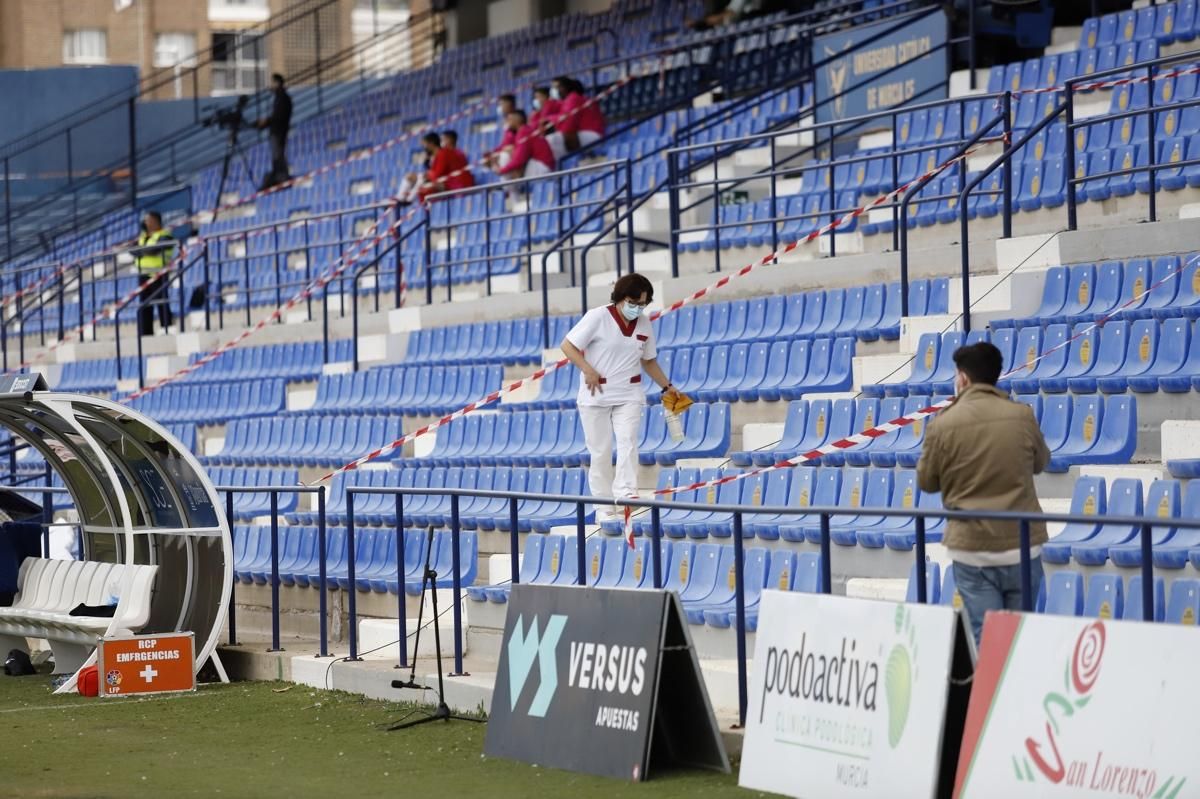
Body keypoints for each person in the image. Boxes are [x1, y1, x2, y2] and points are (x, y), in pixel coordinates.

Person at [916, 342, 1051, 645]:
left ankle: (991, 692)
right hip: (1022, 544)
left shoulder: (943, 424)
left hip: (972, 547)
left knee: (986, 641)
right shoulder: (1022, 416)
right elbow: (1041, 463)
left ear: (962, 378)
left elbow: (927, 481)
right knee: (1019, 640)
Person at [561, 274, 686, 521]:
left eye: (643, 304)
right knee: (600, 452)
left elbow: (649, 360)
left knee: (628, 441)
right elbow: (567, 345)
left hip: (629, 393)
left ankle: (627, 493)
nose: (637, 308)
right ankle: (604, 506)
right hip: (596, 394)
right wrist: (587, 369)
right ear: (619, 298)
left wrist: (668, 387)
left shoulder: (644, 323)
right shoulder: (597, 317)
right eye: (633, 302)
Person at [134, 211, 176, 336]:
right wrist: (145, 250)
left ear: (156, 221)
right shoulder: (143, 236)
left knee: (161, 302)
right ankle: (145, 333)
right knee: (144, 305)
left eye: (148, 220)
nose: (146, 223)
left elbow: (155, 250)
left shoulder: (165, 236)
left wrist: (143, 250)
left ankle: (167, 328)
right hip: (144, 274)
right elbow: (133, 250)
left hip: (159, 274)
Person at [547, 78, 605, 160]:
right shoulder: (569, 100)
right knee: (552, 141)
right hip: (588, 135)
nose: (554, 91)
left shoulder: (573, 98)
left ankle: (562, 166)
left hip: (593, 136)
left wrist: (551, 119)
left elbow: (568, 126)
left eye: (557, 87)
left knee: (552, 139)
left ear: (566, 87)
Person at [256, 73, 293, 190]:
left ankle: (282, 178)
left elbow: (279, 117)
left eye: (272, 83)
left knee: (278, 155)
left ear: (277, 83)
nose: (270, 86)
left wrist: (267, 121)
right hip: (277, 132)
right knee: (277, 155)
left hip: (279, 132)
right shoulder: (279, 98)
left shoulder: (283, 98)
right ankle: (279, 177)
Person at [497, 110, 555, 182]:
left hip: (543, 168)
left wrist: (501, 170)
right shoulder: (525, 129)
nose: (508, 122)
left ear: (517, 120)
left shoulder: (523, 131)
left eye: (510, 119)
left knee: (505, 155)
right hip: (545, 167)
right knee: (509, 150)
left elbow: (519, 160)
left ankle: (514, 192)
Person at [417, 131, 474, 202]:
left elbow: (437, 174)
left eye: (442, 140)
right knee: (424, 185)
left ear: (449, 140)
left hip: (456, 186)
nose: (440, 143)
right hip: (464, 184)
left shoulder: (445, 153)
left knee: (423, 189)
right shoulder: (460, 152)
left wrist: (428, 174)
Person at [483, 94, 519, 170]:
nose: (500, 107)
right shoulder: (506, 122)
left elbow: (518, 141)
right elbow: (505, 143)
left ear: (508, 104)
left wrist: (501, 152)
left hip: (514, 153)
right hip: (506, 152)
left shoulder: (517, 120)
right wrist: (493, 152)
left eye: (501, 104)